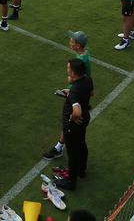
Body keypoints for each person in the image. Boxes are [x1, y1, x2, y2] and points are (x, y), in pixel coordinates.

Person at [43, 32, 94, 161]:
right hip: (77, 93)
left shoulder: (81, 60)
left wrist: (71, 88)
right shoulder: (85, 55)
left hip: (76, 96)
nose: (70, 42)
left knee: (69, 125)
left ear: (77, 45)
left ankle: (60, 149)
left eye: (72, 41)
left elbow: (74, 79)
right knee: (68, 126)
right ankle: (59, 147)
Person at [52, 58, 93, 191]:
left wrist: (72, 117)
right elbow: (91, 93)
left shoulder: (75, 89)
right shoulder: (87, 79)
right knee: (81, 144)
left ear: (74, 73)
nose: (67, 69)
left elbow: (77, 111)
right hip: (85, 120)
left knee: (73, 153)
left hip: (73, 126)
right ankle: (82, 170)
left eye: (69, 68)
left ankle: (71, 181)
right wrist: (70, 94)